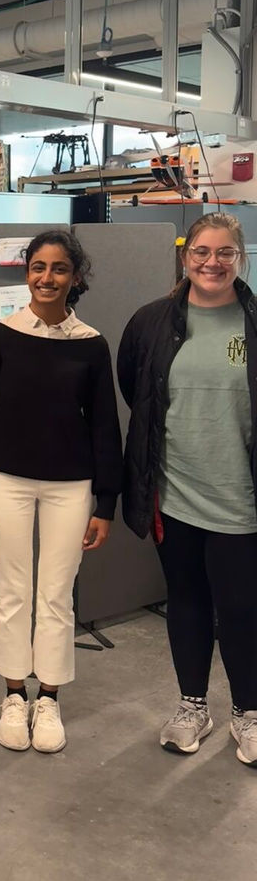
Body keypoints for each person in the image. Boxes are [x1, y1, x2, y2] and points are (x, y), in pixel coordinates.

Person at [0, 230, 121, 754]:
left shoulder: (91, 344)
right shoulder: (0, 336)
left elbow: (104, 428)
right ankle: (14, 695)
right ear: (26, 273)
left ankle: (48, 698)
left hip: (72, 487)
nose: (46, 278)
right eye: (38, 268)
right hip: (7, 482)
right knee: (14, 590)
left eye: (59, 269)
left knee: (55, 593)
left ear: (76, 277)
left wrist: (107, 503)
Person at [118, 212, 257, 765]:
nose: (212, 263)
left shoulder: (253, 322)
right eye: (202, 251)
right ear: (185, 257)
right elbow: (138, 392)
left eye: (225, 253)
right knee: (188, 602)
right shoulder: (152, 322)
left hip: (241, 500)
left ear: (240, 258)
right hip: (174, 496)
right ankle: (192, 706)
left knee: (243, 608)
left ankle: (247, 711)